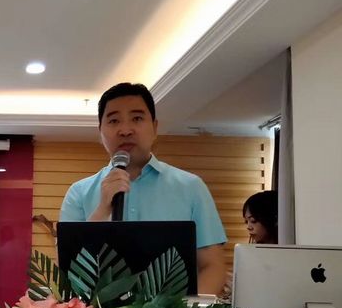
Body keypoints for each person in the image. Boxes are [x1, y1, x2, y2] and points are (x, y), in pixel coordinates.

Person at [59, 82, 227, 295]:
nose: (125, 130)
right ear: (100, 131)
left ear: (154, 127)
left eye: (137, 118)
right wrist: (102, 210)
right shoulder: (78, 193)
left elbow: (212, 266)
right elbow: (70, 273)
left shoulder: (191, 187)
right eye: (114, 120)